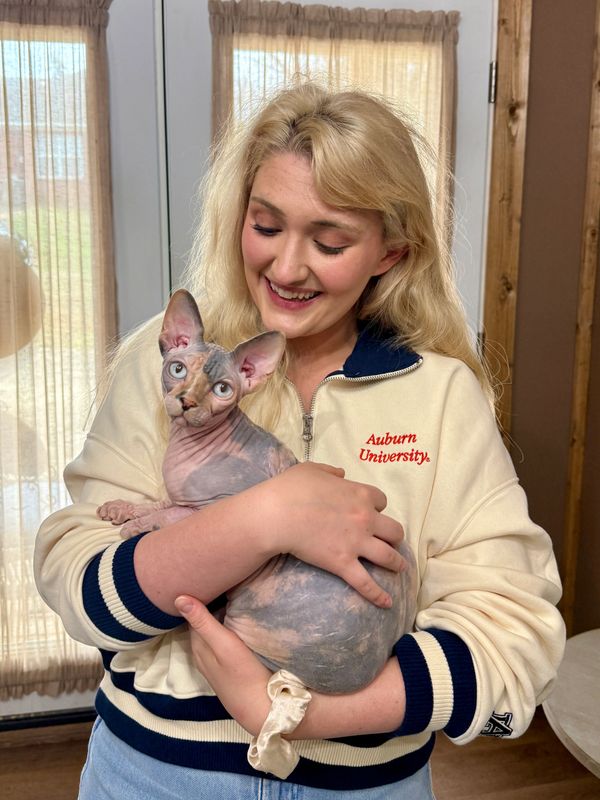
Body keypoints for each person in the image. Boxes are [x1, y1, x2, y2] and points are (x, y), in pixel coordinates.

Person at [34, 82, 565, 799]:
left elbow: (515, 645)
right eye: (266, 225)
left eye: (330, 241)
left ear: (391, 251)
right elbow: (78, 584)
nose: (285, 269)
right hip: (152, 775)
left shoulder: (441, 395)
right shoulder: (172, 365)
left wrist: (300, 715)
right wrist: (262, 520)